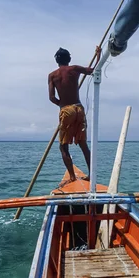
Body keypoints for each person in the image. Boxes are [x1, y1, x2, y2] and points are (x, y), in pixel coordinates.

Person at [48, 46, 101, 183]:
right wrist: (98, 55)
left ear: (57, 61)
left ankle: (72, 176)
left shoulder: (52, 75)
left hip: (66, 110)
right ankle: (91, 175)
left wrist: (62, 105)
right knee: (83, 144)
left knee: (63, 146)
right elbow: (93, 71)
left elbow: (52, 98)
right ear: (69, 59)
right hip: (79, 109)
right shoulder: (74, 69)